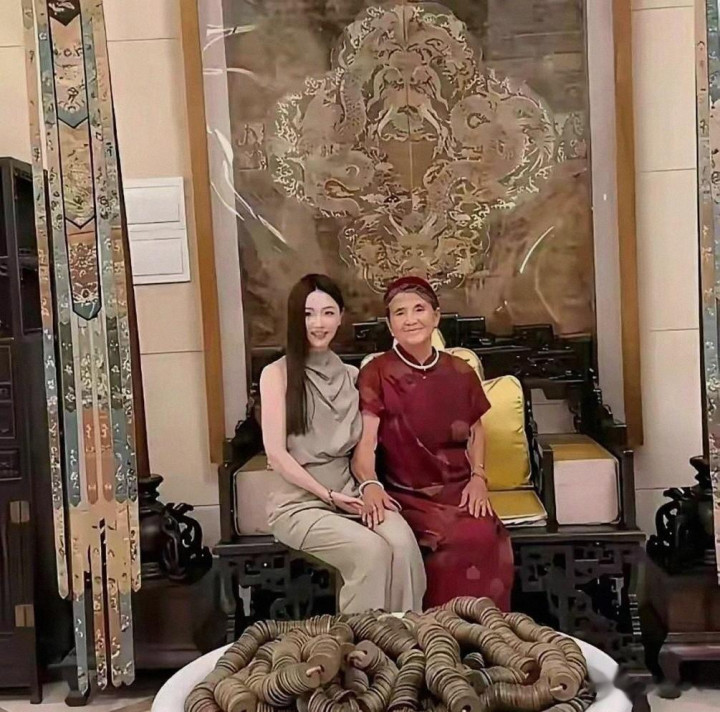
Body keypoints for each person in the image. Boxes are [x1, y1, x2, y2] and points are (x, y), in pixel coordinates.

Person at [260, 274, 426, 614]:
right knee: (371, 552)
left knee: (403, 545)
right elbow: (276, 456)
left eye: (328, 313)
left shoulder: (352, 376)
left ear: (340, 317)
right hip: (301, 503)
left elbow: (362, 449)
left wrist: (368, 486)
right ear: (295, 318)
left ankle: (402, 635)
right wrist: (328, 495)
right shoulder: (276, 374)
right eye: (308, 314)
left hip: (351, 495)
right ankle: (361, 643)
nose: (318, 324)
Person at [352, 276, 515, 610]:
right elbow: (365, 444)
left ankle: (484, 632)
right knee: (438, 545)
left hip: (458, 490)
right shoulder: (376, 372)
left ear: (436, 316)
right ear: (390, 324)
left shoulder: (460, 371)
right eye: (400, 313)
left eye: (419, 309)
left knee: (483, 536)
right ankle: (432, 634)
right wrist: (369, 484)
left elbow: (476, 431)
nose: (410, 319)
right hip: (405, 492)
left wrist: (478, 477)